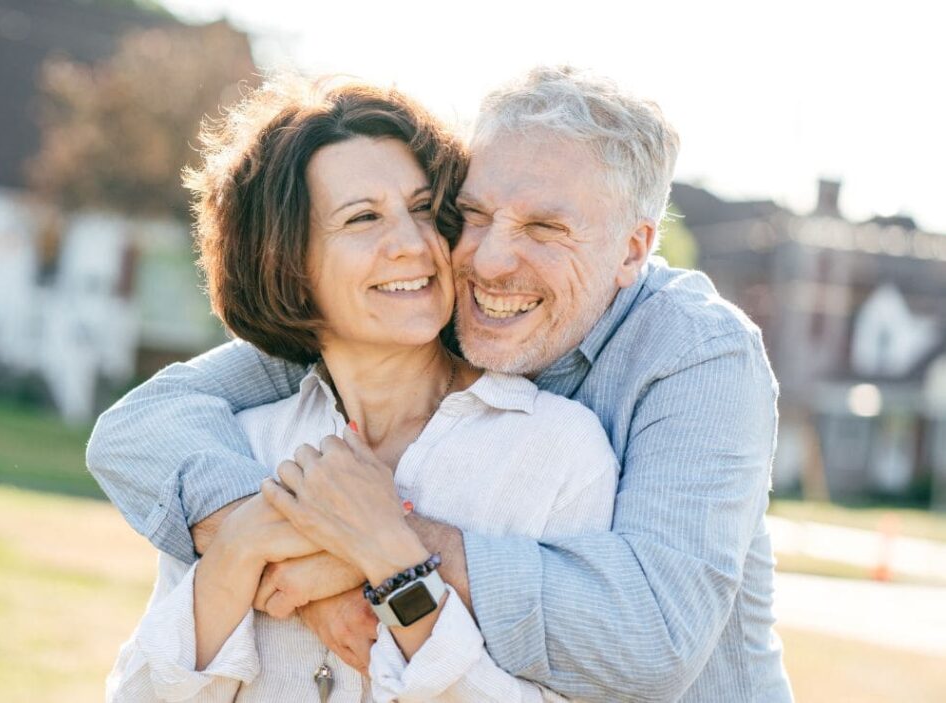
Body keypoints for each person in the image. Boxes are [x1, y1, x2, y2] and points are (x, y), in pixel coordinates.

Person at [89, 66, 793, 701]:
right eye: (473, 213)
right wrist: (270, 537)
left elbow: (650, 641)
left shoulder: (696, 358)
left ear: (633, 249)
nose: (488, 259)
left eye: (545, 227)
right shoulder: (419, 311)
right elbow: (146, 422)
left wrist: (383, 542)